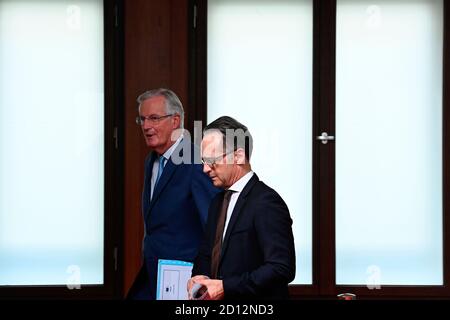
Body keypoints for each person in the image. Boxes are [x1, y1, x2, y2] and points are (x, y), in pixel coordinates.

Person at [188, 116, 296, 300]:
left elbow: (281, 268)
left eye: (211, 160)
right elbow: (207, 254)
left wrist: (225, 287)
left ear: (238, 156)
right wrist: (198, 277)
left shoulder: (267, 202)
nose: (205, 169)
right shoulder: (217, 202)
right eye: (203, 161)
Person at [127, 88, 220, 300]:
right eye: (142, 119)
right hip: (153, 276)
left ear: (175, 121)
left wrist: (203, 280)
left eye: (154, 118)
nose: (146, 126)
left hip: (184, 281)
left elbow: (213, 228)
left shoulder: (195, 161)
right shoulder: (151, 160)